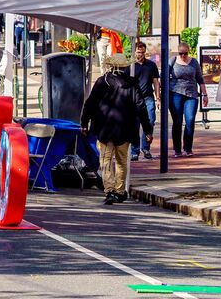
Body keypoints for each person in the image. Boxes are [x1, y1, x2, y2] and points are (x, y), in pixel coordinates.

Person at [81, 52, 154, 205]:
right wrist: (147, 130)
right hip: (125, 128)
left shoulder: (103, 82)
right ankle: (120, 190)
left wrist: (84, 123)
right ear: (125, 66)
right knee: (121, 161)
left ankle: (109, 190)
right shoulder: (132, 83)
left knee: (106, 160)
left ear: (111, 66)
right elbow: (141, 107)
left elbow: (90, 103)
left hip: (104, 128)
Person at [168, 42, 207, 157]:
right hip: (175, 93)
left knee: (190, 121)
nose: (183, 56)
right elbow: (164, 76)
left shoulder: (194, 62)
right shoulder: (173, 60)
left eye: (185, 53)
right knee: (178, 122)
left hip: (191, 94)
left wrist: (205, 94)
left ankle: (188, 148)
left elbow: (200, 79)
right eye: (181, 53)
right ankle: (177, 149)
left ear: (188, 52)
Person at [127, 41, 160, 162]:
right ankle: (134, 151)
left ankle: (146, 148)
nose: (140, 54)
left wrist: (158, 98)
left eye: (142, 52)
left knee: (150, 121)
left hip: (148, 98)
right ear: (134, 52)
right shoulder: (130, 66)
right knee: (134, 125)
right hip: (134, 99)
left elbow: (156, 82)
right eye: (138, 52)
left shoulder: (151, 65)